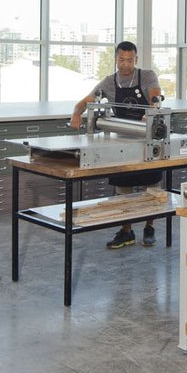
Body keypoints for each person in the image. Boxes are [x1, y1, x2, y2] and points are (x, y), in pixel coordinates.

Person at [71, 41, 163, 250]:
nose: (125, 64)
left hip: (147, 138)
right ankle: (126, 231)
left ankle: (149, 227)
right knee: (124, 190)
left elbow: (155, 98)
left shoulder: (147, 76)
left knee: (152, 189)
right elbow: (88, 100)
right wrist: (77, 113)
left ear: (136, 60)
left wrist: (152, 111)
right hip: (121, 141)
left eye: (130, 60)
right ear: (116, 59)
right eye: (121, 60)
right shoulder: (109, 83)